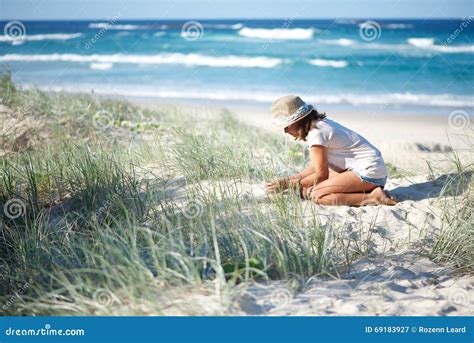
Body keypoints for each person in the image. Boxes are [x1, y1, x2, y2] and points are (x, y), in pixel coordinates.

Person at [265, 95, 397, 206]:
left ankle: (373, 197)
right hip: (371, 169)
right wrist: (289, 180)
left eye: (286, 126)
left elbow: (321, 175)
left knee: (316, 195)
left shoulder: (316, 133)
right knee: (309, 187)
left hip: (369, 172)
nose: (285, 130)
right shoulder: (320, 124)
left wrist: (288, 185)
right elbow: (316, 168)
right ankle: (368, 191)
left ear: (297, 121)